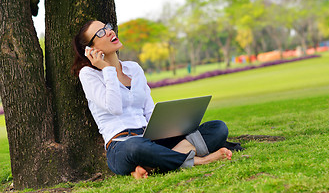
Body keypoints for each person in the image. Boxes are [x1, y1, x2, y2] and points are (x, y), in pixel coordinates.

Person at [71, 20, 232, 179]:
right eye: (100, 33)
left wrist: (171, 129)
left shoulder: (134, 68)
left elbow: (149, 111)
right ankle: (200, 161)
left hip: (151, 140)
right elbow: (114, 107)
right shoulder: (89, 74)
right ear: (91, 50)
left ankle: (151, 165)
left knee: (218, 128)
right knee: (136, 147)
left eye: (107, 27)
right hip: (122, 146)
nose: (109, 31)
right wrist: (107, 69)